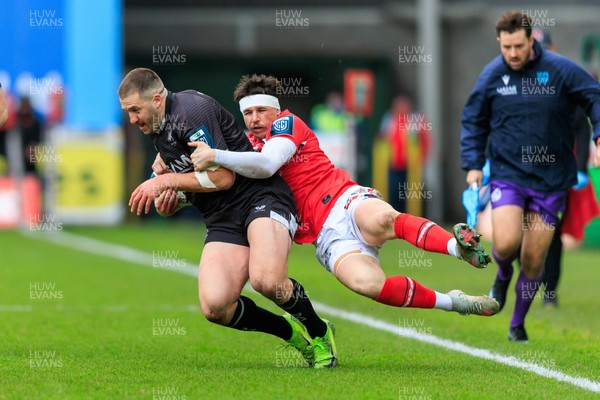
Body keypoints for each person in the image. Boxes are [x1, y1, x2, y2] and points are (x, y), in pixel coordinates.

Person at [190, 74, 500, 321]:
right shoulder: (243, 149)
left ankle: (457, 249)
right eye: (247, 113)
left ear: (275, 109)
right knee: (368, 284)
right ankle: (455, 302)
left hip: (342, 200)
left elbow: (268, 163)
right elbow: (218, 177)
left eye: (260, 110)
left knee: (382, 220)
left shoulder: (286, 123)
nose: (255, 118)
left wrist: (216, 155)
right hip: (325, 236)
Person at [118, 68, 337, 368]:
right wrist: (170, 202)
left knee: (267, 280)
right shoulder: (157, 129)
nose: (131, 119)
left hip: (260, 198)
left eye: (134, 110)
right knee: (215, 306)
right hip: (222, 217)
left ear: (157, 100)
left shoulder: (189, 112)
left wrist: (164, 182)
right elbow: (187, 185)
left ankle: (319, 331)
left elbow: (222, 178)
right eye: (127, 112)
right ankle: (291, 334)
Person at [460, 11, 600, 342]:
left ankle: (516, 324)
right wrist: (473, 163)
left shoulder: (560, 70)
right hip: (508, 174)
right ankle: (503, 275)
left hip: (551, 182)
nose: (512, 54)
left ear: (530, 41)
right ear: (499, 42)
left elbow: (594, 96)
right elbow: (473, 119)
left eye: (518, 46)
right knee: (506, 243)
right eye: (506, 47)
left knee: (535, 259)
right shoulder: (492, 75)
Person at [531, 28, 600, 307]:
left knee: (552, 229)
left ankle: (549, 290)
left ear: (554, 48)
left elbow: (581, 125)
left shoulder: (566, 79)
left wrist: (581, 166)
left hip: (557, 169)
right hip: (525, 167)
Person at [378, 95, 431, 213]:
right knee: (393, 191)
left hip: (411, 165)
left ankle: (411, 218)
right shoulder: (389, 118)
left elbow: (424, 139)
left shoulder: (415, 119)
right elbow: (382, 138)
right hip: (393, 163)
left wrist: (423, 158)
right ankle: (395, 216)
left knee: (412, 195)